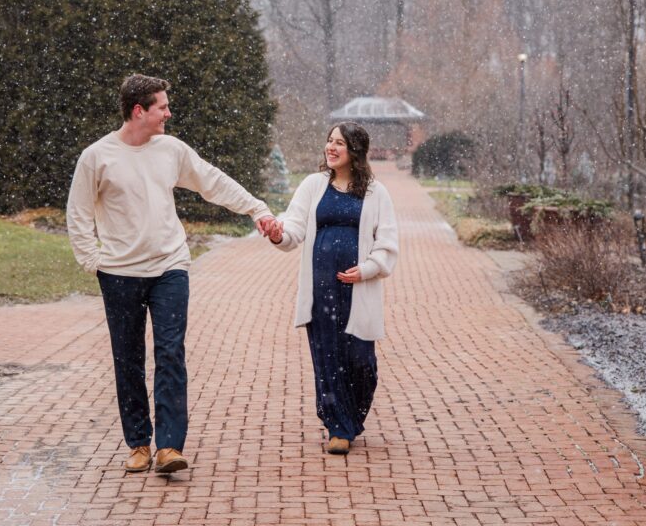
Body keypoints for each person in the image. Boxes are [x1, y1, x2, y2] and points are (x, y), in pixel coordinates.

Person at [67, 74, 278, 474]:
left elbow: (211, 181)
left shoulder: (171, 150)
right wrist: (92, 260)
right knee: (127, 359)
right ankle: (138, 443)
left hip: (169, 268)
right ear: (138, 111)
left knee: (170, 353)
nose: (168, 113)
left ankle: (169, 447)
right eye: (162, 106)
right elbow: (77, 214)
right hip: (119, 273)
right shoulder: (97, 156)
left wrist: (257, 208)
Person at [267, 122, 398, 454]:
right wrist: (277, 233)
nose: (331, 147)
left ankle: (352, 416)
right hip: (321, 288)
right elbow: (294, 225)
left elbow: (387, 242)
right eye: (329, 141)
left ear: (355, 150)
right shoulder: (313, 186)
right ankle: (338, 427)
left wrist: (367, 269)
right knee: (328, 358)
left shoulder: (374, 192)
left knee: (361, 362)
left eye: (339, 143)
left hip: (358, 289)